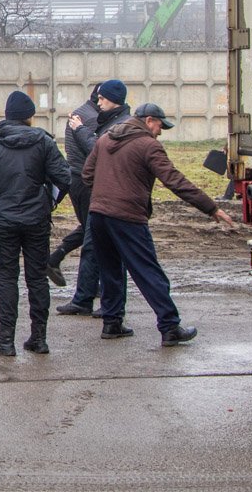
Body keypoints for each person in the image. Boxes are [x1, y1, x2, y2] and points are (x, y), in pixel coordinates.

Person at [82, 103, 234, 345]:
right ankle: (170, 326)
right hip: (128, 216)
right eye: (160, 126)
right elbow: (174, 180)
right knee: (148, 271)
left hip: (98, 215)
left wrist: (105, 195)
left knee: (110, 270)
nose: (160, 132)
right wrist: (211, 207)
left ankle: (112, 322)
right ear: (149, 120)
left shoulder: (105, 139)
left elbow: (87, 174)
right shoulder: (148, 145)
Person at [0, 90, 70, 356]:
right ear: (29, 117)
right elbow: (64, 178)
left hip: (3, 219)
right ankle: (39, 337)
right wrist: (50, 201)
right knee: (37, 277)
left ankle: (6, 338)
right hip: (36, 219)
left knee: (6, 277)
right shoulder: (44, 142)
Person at [54, 78, 132, 317]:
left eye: (102, 98)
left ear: (111, 100)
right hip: (95, 186)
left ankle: (104, 305)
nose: (99, 103)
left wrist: (80, 129)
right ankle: (92, 299)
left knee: (101, 244)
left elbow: (99, 149)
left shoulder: (111, 122)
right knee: (95, 241)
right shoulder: (102, 119)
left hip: (103, 189)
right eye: (98, 98)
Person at [45, 82, 103, 286]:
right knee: (93, 231)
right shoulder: (93, 118)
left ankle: (56, 258)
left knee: (89, 226)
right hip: (87, 181)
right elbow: (96, 150)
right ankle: (88, 286)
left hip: (76, 179)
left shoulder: (80, 113)